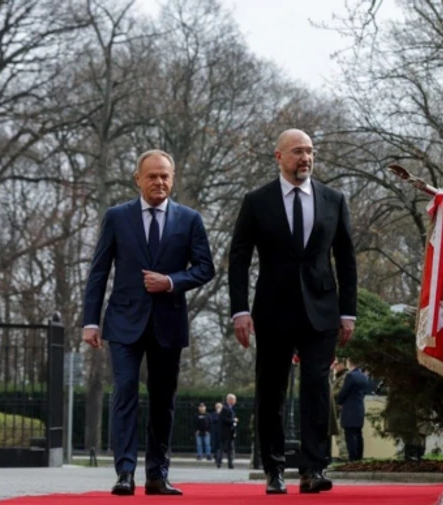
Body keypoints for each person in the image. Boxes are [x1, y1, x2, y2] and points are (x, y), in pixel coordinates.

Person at [228, 128, 357, 495]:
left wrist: (348, 313)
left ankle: (313, 469)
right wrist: (240, 311)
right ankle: (274, 469)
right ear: (279, 156)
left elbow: (346, 259)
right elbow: (239, 259)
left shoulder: (334, 199)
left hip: (321, 309)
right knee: (271, 391)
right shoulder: (257, 201)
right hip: (273, 310)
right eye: (298, 151)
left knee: (316, 388)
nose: (306, 158)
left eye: (310, 151)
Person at [81, 149, 215, 496]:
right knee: (124, 391)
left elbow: (205, 268)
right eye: (152, 176)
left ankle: (157, 475)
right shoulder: (117, 217)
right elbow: (99, 271)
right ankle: (125, 473)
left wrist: (170, 281)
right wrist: (90, 321)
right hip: (123, 321)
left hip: (168, 322)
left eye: (164, 176)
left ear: (173, 179)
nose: (159, 182)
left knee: (163, 400)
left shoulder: (189, 219)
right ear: (137, 179)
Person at [336, 359, 370, 461]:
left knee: (349, 434)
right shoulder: (363, 376)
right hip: (359, 408)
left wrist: (339, 402)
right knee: (358, 434)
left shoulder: (350, 376)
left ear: (350, 363)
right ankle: (359, 457)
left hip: (349, 409)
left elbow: (344, 391)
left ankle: (352, 458)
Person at [331, 360, 349, 462]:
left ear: (342, 364)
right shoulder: (339, 376)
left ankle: (344, 456)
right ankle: (343, 455)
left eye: (336, 364)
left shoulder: (344, 376)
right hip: (337, 409)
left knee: (341, 434)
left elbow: (341, 390)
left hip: (340, 409)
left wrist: (331, 392)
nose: (335, 366)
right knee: (339, 434)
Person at [216, 394, 237, 469]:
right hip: (225, 432)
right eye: (234, 399)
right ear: (229, 400)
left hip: (230, 432)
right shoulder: (224, 408)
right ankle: (219, 463)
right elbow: (223, 419)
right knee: (222, 448)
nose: (235, 401)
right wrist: (233, 420)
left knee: (230, 448)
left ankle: (230, 464)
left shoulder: (231, 408)